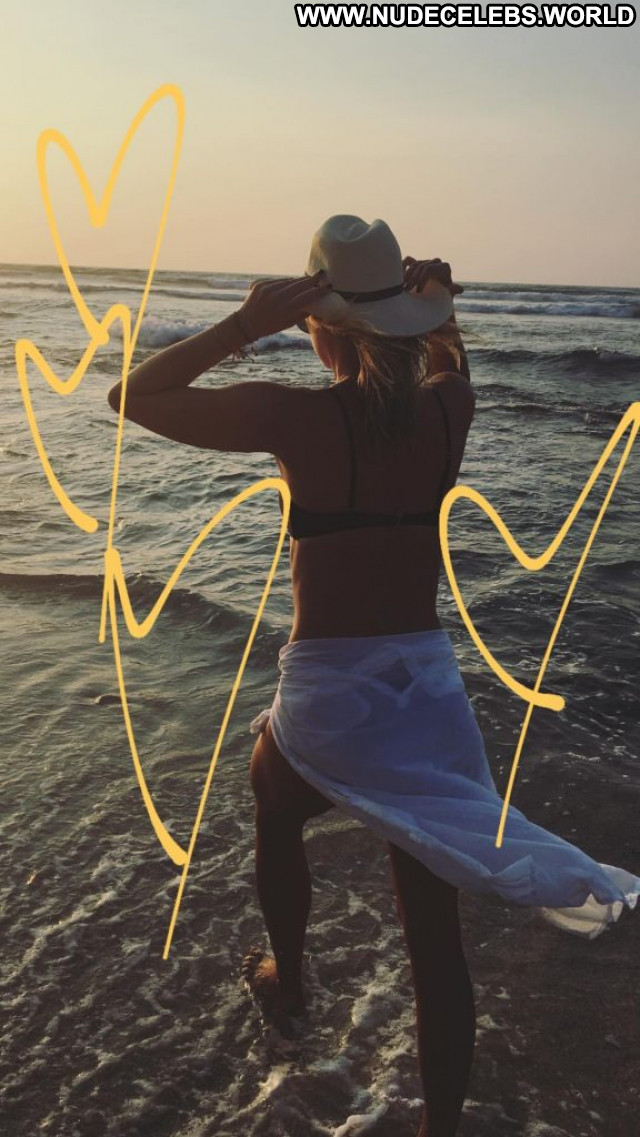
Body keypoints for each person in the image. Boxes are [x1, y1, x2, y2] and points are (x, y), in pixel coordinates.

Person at [108, 216, 639, 1137]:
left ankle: (288, 980)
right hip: (426, 690)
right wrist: (437, 309)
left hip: (332, 689)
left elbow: (132, 394)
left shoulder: (298, 417)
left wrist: (243, 325)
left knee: (275, 803)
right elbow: (449, 362)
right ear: (402, 320)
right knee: (435, 940)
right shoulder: (449, 410)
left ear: (317, 326)